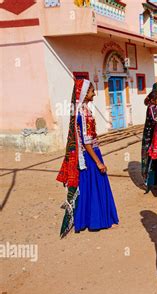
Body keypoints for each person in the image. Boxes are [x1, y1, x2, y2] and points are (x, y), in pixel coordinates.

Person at [57, 79, 119, 237]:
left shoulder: (83, 110)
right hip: (90, 155)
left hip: (89, 153)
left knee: (89, 187)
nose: (94, 93)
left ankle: (88, 220)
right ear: (84, 94)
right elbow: (86, 141)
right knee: (95, 186)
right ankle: (97, 221)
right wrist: (98, 162)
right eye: (92, 91)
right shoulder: (83, 113)